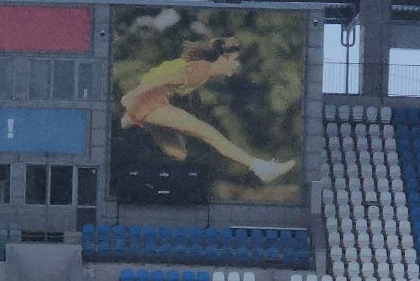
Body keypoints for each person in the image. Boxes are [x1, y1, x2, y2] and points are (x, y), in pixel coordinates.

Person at [119, 36, 296, 184]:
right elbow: (165, 78)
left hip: (153, 101)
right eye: (235, 60)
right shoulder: (200, 69)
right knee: (206, 131)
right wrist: (132, 96)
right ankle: (260, 167)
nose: (237, 66)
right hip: (148, 100)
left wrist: (192, 115)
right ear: (222, 58)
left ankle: (132, 125)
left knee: (178, 154)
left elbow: (189, 92)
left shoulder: (203, 73)